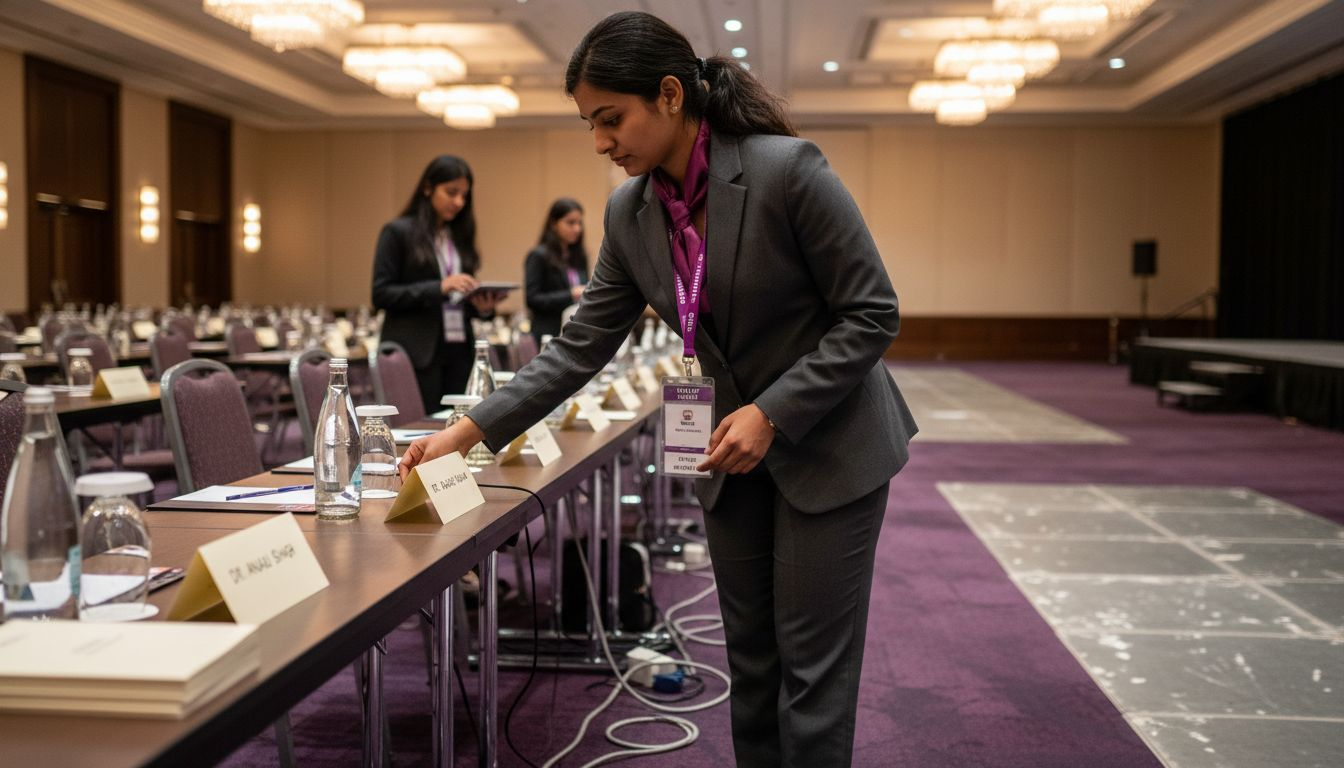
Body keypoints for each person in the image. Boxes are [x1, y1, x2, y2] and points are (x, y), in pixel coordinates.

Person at [401, 11, 916, 766]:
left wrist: (772, 414)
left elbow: (873, 315)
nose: (601, 143)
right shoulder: (631, 214)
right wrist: (464, 433)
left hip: (830, 448)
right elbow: (578, 348)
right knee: (753, 667)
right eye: (589, 125)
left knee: (811, 680)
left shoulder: (786, 170)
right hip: (727, 462)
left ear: (671, 95)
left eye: (611, 119)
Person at [372, 155, 500, 413]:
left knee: (460, 422)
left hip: (459, 347)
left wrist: (483, 307)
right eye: (451, 192)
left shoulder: (459, 237)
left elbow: (458, 299)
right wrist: (439, 287)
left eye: (464, 195)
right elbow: (381, 293)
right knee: (424, 429)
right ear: (428, 187)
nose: (459, 202)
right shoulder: (398, 232)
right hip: (418, 350)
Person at [524, 197, 590, 342]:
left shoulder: (580, 257)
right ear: (554, 224)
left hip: (575, 333)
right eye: (570, 223)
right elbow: (532, 299)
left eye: (579, 223)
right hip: (547, 334)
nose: (577, 228)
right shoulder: (538, 255)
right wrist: (571, 294)